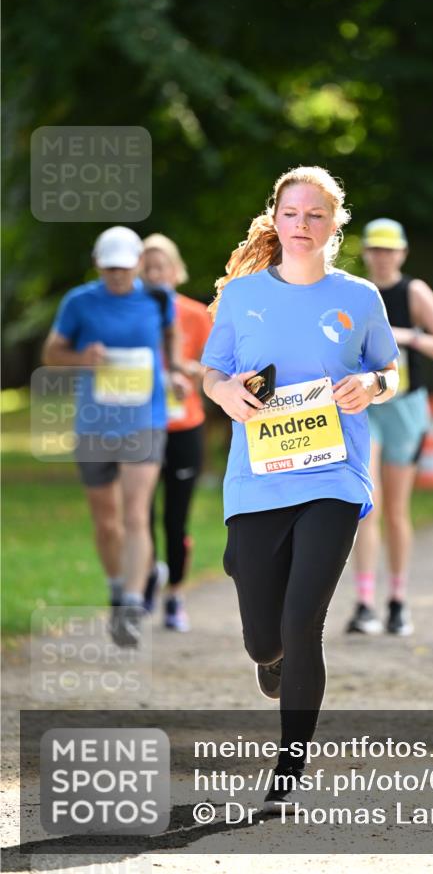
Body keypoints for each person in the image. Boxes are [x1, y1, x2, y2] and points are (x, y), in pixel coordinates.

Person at [201, 165, 399, 811]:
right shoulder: (241, 296)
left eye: (316, 215)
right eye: (292, 213)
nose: (303, 225)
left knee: (302, 619)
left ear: (334, 224)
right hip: (257, 477)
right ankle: (270, 659)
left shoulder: (361, 297)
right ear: (276, 217)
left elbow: (388, 370)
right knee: (266, 638)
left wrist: (373, 386)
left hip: (334, 472)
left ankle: (286, 774)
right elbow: (212, 374)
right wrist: (224, 391)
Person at [42, 226, 181, 648]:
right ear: (98, 265)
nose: (118, 276)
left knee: (137, 514)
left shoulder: (158, 298)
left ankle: (133, 607)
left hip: (145, 419)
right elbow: (51, 355)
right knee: (107, 522)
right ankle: (118, 586)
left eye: (124, 268)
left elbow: (170, 337)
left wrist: (174, 368)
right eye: (110, 269)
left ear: (139, 263)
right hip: (94, 424)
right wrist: (82, 358)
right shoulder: (79, 302)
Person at [346, 218, 433, 637]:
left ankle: (397, 599)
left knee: (397, 510)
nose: (381, 257)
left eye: (389, 249)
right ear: (365, 254)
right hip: (366, 407)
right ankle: (364, 604)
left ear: (402, 253)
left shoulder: (413, 292)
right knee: (368, 506)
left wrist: (409, 337)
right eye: (374, 249)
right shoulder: (353, 292)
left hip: (406, 410)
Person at [141, 234, 212, 631]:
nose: (154, 274)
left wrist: (186, 369)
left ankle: (176, 597)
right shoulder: (132, 313)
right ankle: (149, 578)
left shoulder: (195, 314)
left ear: (175, 269)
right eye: (147, 267)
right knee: (140, 515)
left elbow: (216, 370)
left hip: (185, 426)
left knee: (176, 519)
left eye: (161, 266)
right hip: (142, 425)